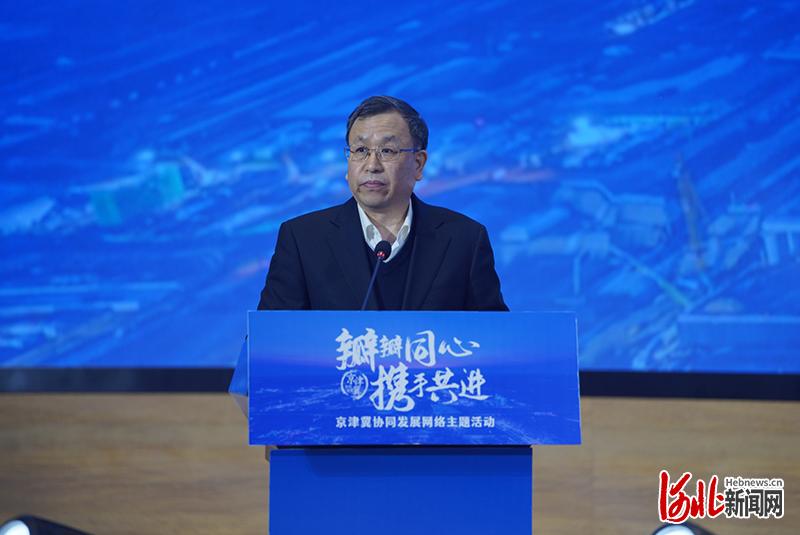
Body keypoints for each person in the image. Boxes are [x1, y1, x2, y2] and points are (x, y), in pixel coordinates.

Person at [257, 95, 507, 311]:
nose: (372, 165)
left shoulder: (464, 239)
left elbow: (496, 339)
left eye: (387, 151)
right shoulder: (303, 240)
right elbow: (266, 342)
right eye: (360, 151)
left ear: (418, 164)